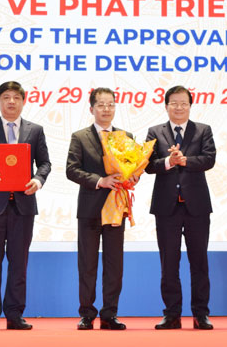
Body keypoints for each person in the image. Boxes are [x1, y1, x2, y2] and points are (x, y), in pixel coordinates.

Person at [0, 81, 51, 330]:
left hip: (23, 206)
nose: (11, 101)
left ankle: (15, 314)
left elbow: (45, 163)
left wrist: (38, 180)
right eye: (6, 97)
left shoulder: (35, 130)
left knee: (19, 263)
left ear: (23, 101)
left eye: (16, 97)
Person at [145, 85, 216, 330]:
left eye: (183, 103)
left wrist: (186, 161)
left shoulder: (203, 130)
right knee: (169, 263)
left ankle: (201, 314)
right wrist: (168, 162)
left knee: (199, 262)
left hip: (196, 206)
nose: (178, 107)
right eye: (174, 103)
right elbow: (147, 165)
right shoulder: (155, 131)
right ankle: (172, 314)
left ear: (190, 105)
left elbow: (210, 159)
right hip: (167, 208)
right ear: (166, 106)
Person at [66, 87, 137, 330]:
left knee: (114, 264)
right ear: (92, 109)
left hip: (116, 208)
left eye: (110, 104)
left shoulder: (125, 136)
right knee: (87, 263)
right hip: (90, 208)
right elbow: (71, 170)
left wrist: (132, 178)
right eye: (101, 105)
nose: (106, 109)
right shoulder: (80, 137)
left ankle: (109, 314)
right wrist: (99, 181)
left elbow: (132, 168)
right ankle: (87, 314)